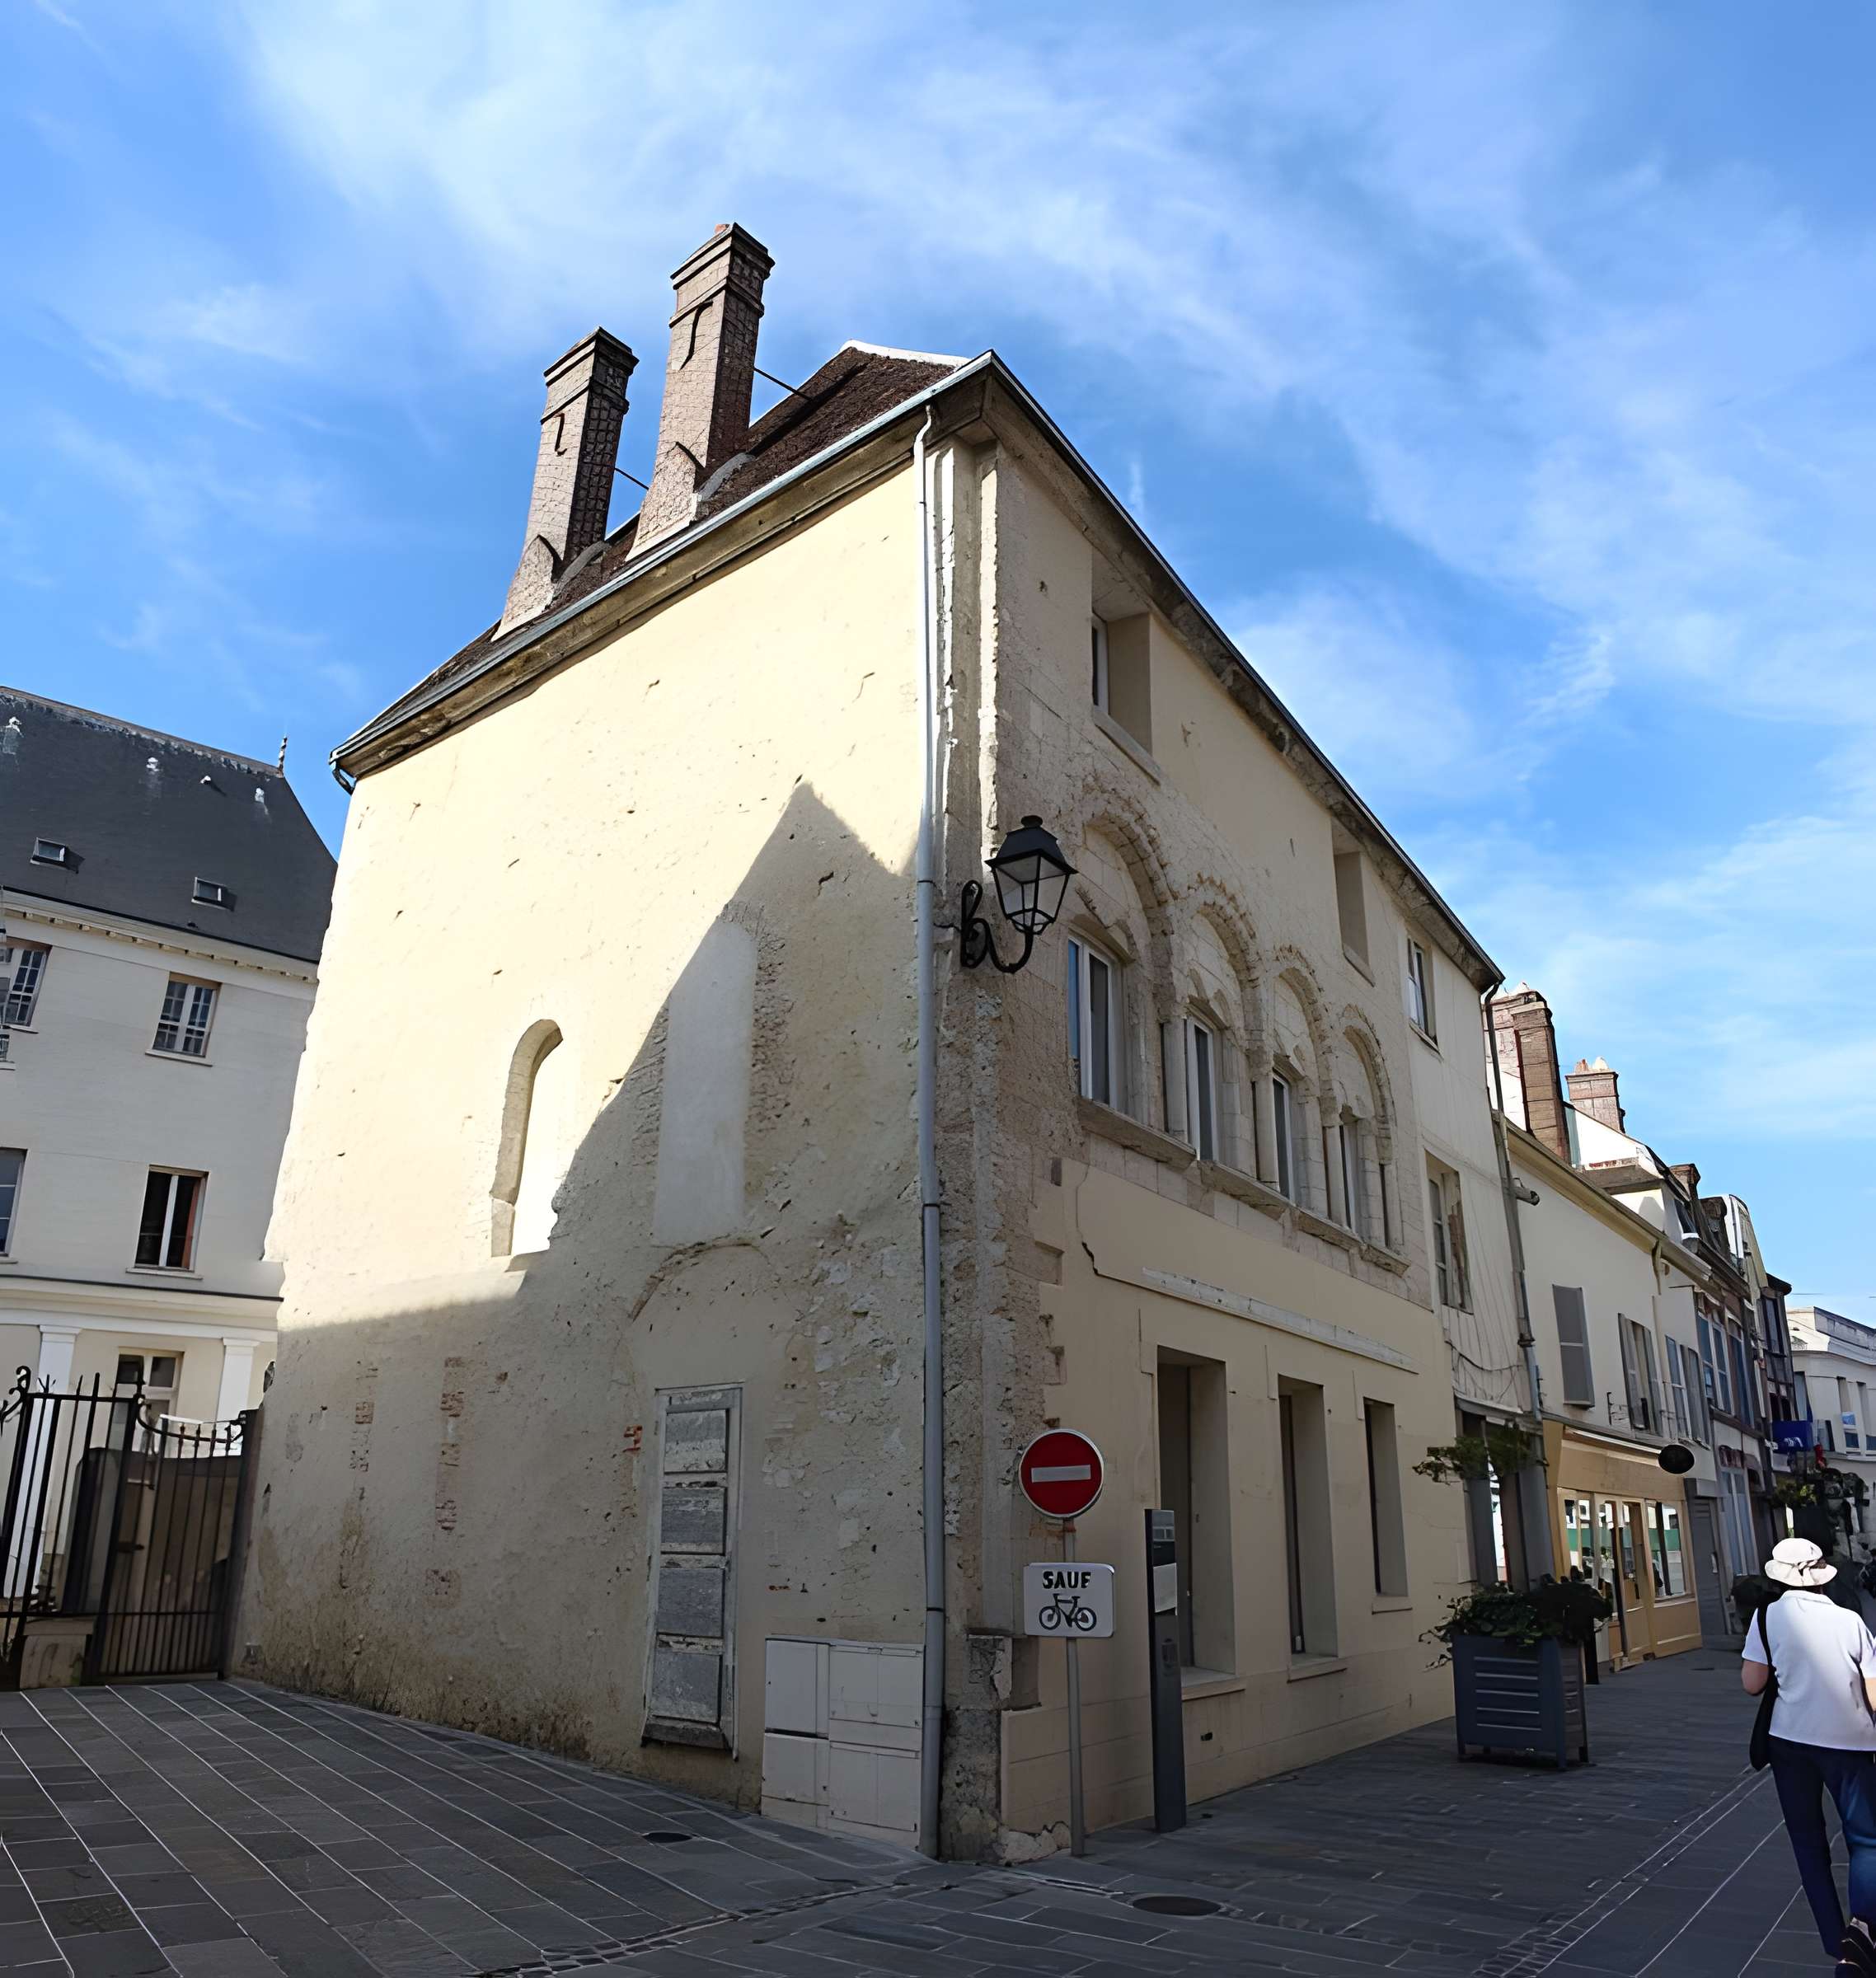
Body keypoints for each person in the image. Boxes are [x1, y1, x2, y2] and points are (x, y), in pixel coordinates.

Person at [1744, 1539, 1876, 1971]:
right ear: (1822, 1575)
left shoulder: (1766, 1617)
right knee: (1865, 1839)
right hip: (1851, 1741)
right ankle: (1864, 1930)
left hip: (1790, 1741)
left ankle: (1835, 1940)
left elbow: (1752, 1683)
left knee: (1807, 1840)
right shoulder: (1850, 1621)